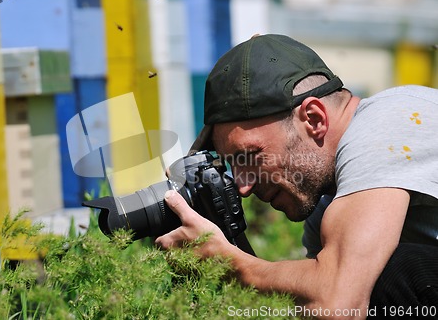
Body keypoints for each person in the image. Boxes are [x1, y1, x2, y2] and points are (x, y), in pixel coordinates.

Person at [155, 34, 438, 319]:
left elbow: (339, 304)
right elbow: (318, 303)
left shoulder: (385, 122)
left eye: (250, 155)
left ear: (314, 119)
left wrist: (231, 264)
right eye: (233, 165)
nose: (243, 186)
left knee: (392, 272)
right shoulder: (327, 210)